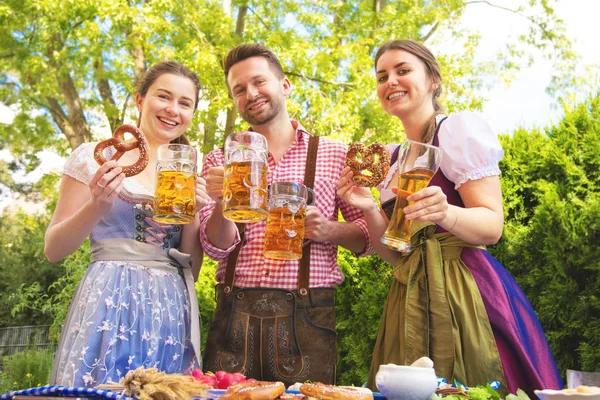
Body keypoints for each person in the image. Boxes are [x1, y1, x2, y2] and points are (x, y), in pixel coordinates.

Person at [337, 40, 563, 395]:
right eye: (382, 76)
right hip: (409, 296)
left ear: (433, 80)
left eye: (403, 70)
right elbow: (397, 255)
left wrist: (447, 212)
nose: (390, 81)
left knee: (474, 385)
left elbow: (492, 227)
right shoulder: (392, 160)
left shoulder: (458, 131)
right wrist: (367, 207)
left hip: (465, 292)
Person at [199, 44, 373, 385]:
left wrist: (328, 230)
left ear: (284, 85)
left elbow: (365, 235)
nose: (250, 93)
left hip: (308, 314)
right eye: (239, 89)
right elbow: (215, 247)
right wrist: (222, 202)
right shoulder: (217, 161)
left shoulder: (337, 153)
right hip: (234, 310)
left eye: (259, 81)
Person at [45, 61, 211, 387]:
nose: (173, 109)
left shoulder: (190, 169)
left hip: (169, 307)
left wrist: (192, 213)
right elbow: (53, 249)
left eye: (184, 103)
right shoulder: (94, 158)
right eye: (164, 97)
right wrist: (97, 205)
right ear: (140, 100)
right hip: (109, 301)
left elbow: (192, 269)